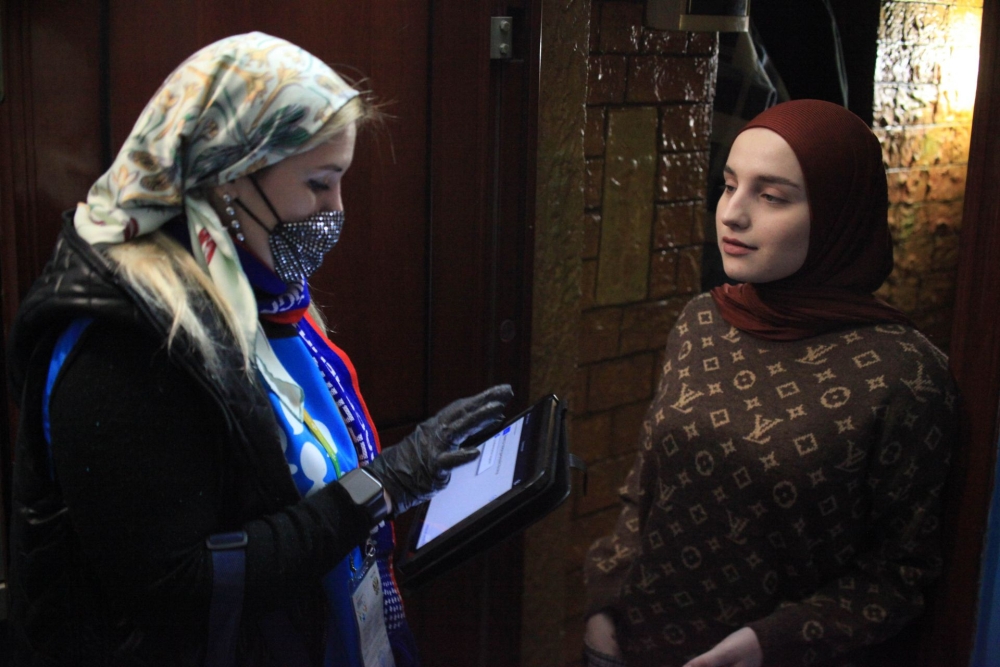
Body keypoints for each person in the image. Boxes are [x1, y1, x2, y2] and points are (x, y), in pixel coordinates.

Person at [5, 32, 512, 666]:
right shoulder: (125, 338)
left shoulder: (251, 288)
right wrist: (376, 490)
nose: (336, 210)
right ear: (228, 179)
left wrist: (395, 484)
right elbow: (177, 589)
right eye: (320, 184)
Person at [582, 99, 958, 667]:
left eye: (771, 196)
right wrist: (604, 607)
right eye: (729, 185)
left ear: (837, 215)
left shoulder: (904, 374)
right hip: (639, 645)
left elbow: (899, 576)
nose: (732, 214)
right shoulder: (703, 321)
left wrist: (771, 643)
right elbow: (647, 490)